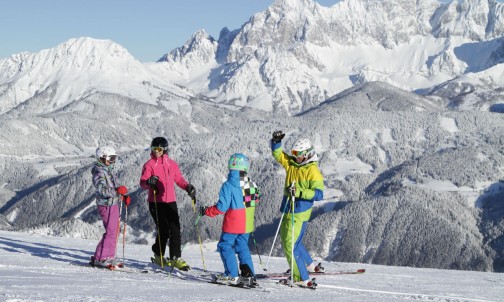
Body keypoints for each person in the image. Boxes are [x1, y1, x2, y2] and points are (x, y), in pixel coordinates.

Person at [270, 130, 324, 287]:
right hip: (288, 207)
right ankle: (310, 266)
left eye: (298, 154)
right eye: (293, 153)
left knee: (289, 244)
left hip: (300, 211)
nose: (295, 156)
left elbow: (319, 194)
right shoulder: (292, 164)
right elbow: (278, 155)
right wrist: (276, 142)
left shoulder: (312, 171)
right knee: (294, 241)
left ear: (307, 154)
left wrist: (299, 192)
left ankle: (300, 277)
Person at [199, 153, 260, 285]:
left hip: (233, 224)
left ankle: (231, 275)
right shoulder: (251, 184)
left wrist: (207, 211)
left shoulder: (228, 185)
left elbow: (222, 208)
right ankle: (249, 274)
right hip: (247, 224)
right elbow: (256, 199)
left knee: (225, 245)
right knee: (242, 246)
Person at [139, 137, 196, 271]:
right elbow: (142, 182)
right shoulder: (149, 165)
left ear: (164, 149)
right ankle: (159, 255)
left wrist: (188, 187)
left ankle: (175, 258)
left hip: (170, 201)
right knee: (163, 230)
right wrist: (149, 183)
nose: (156, 152)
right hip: (155, 202)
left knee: (175, 229)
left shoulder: (172, 164)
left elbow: (179, 179)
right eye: (154, 149)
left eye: (159, 149)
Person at [91, 146, 131, 268]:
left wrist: (122, 196)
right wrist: (117, 191)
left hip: (113, 203)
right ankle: (102, 257)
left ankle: (108, 255)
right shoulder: (99, 172)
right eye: (111, 158)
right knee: (111, 231)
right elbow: (102, 190)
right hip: (106, 205)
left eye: (114, 158)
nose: (113, 161)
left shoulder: (108, 170)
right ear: (102, 157)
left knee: (114, 231)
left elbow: (115, 187)